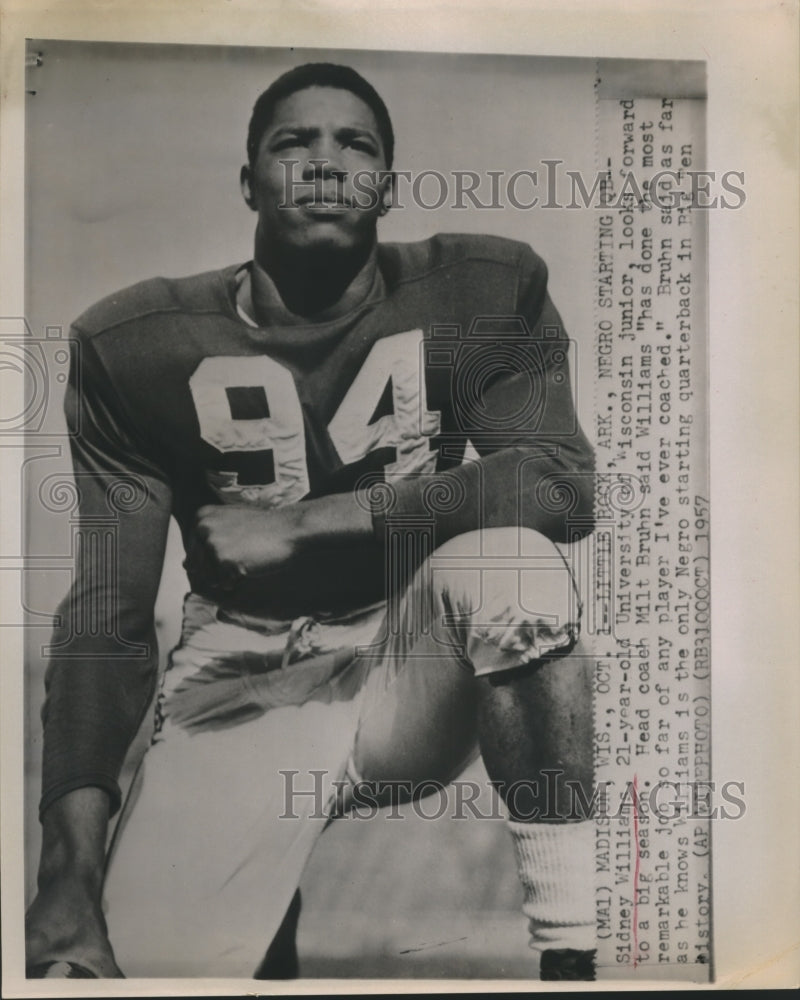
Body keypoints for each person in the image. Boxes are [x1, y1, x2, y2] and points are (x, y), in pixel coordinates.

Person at [25, 62, 597, 982]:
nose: (326, 163)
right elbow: (108, 616)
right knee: (131, 967)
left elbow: (563, 485)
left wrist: (315, 522)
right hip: (242, 677)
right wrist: (64, 871)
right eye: (295, 142)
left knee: (509, 566)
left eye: (355, 144)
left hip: (408, 657)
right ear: (248, 179)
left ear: (388, 185)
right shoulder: (134, 346)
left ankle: (574, 957)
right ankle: (263, 928)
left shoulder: (480, 288)